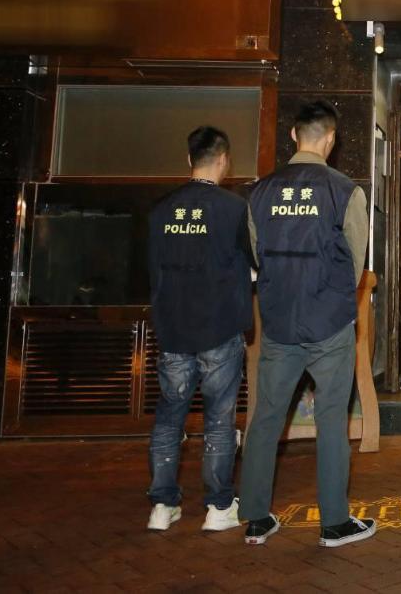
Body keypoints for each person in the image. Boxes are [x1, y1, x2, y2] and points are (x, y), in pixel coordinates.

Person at [239, 101, 377, 548]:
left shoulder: (260, 192)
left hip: (279, 321)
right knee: (332, 419)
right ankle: (334, 523)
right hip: (329, 322)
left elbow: (255, 254)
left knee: (266, 417)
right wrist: (334, 300)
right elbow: (355, 262)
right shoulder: (346, 191)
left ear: (294, 135)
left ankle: (256, 518)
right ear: (331, 139)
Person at [145, 126, 255, 533]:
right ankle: (218, 506)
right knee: (219, 418)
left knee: (169, 416)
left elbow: (152, 272)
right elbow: (254, 264)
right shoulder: (235, 209)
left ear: (189, 159)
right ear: (224, 160)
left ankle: (162, 506)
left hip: (173, 328)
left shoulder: (160, 210)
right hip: (219, 327)